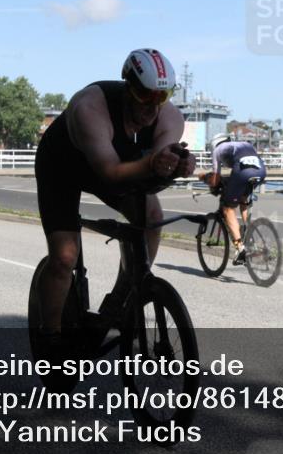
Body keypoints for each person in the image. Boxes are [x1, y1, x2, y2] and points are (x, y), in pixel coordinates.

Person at [34, 49, 195, 337]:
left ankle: (121, 300)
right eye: (146, 96)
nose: (153, 108)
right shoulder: (90, 108)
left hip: (116, 165)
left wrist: (176, 166)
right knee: (64, 257)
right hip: (62, 167)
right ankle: (51, 339)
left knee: (152, 217)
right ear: (128, 89)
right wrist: (152, 164)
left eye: (162, 97)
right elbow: (111, 174)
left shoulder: (170, 119)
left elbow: (156, 168)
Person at [203, 134, 267, 264]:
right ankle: (248, 232)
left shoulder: (217, 150)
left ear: (214, 145)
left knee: (227, 209)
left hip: (243, 173)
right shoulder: (244, 144)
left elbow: (216, 178)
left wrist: (213, 187)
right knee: (243, 199)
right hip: (261, 171)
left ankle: (240, 248)